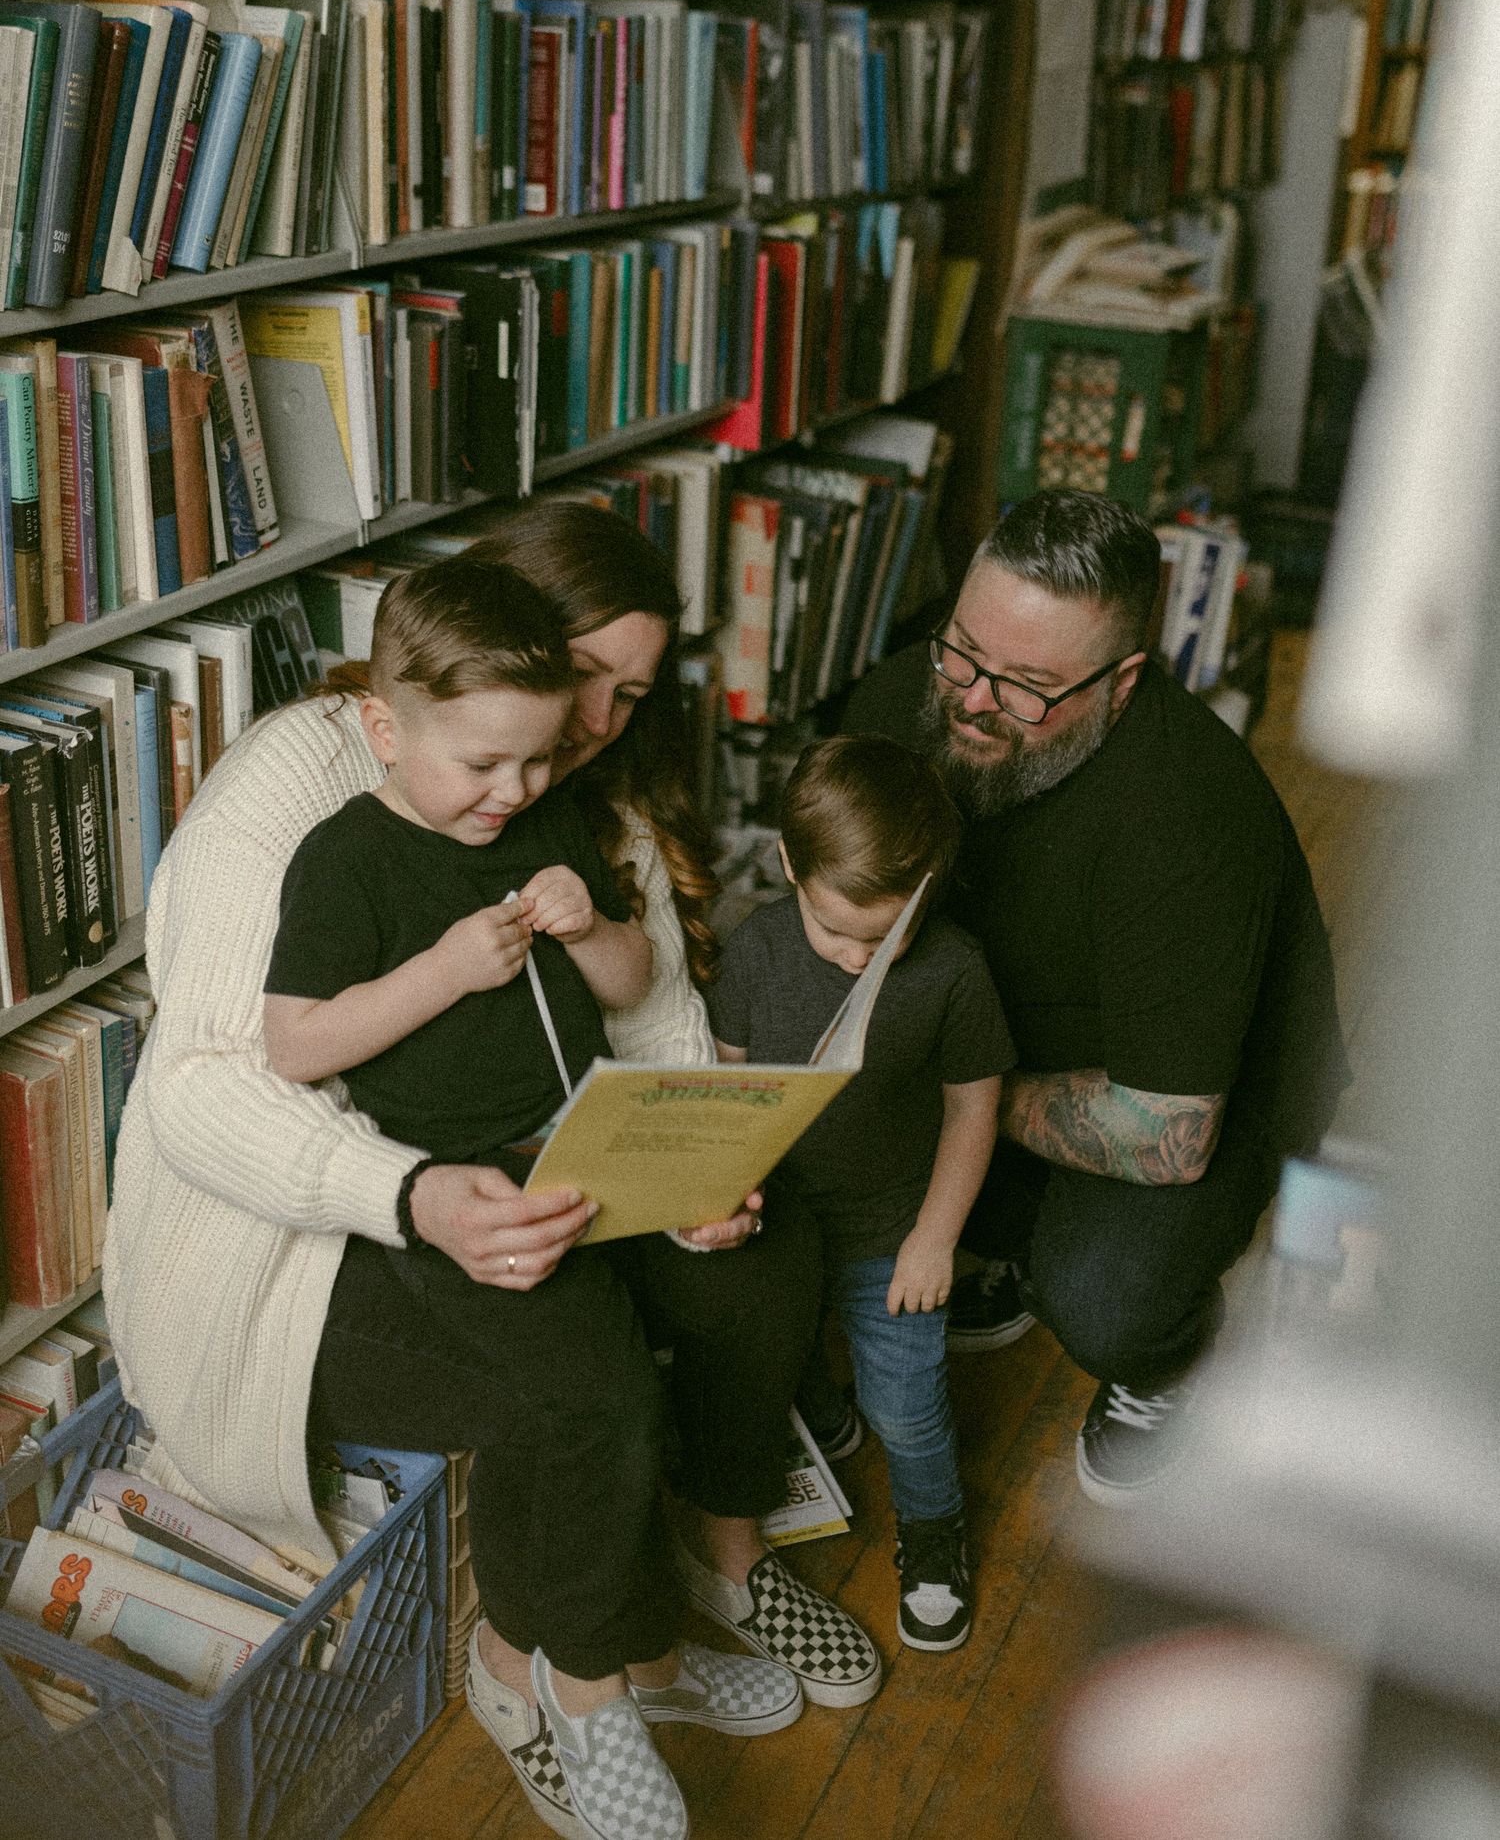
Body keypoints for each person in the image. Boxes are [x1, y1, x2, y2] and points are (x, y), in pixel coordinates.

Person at [104, 503, 879, 1840]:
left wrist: (701, 1159)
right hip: (303, 1243)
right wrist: (405, 1192)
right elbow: (206, 1088)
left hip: (520, 1164)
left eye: (628, 696)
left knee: (762, 1255)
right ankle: (553, 1666)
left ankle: (708, 1577)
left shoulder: (563, 795)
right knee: (569, 1371)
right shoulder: (310, 788)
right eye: (580, 675)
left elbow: (650, 1006)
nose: (592, 723)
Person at [842, 489, 1348, 1504]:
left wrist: (961, 1093)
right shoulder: (916, 696)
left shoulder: (1188, 816)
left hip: (1190, 1096)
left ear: (1123, 681)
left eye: (1030, 687)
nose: (976, 702)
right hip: (998, 1036)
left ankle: (1168, 1367)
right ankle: (1000, 1240)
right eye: (963, 652)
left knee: (1107, 1295)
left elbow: (1172, 1132)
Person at [706, 736, 1013, 1655]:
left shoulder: (953, 970)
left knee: (911, 1409)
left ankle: (932, 1535)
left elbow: (973, 1112)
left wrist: (935, 1238)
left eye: (886, 939)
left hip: (892, 1234)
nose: (853, 959)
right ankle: (826, 1418)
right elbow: (728, 1090)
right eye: (834, 930)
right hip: (777, 1229)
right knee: (779, 1362)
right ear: (789, 866)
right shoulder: (755, 948)